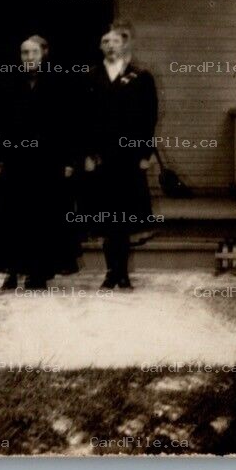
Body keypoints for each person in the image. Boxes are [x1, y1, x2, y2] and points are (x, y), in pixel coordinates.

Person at [0, 34, 77, 291]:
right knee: (11, 217)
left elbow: (69, 126)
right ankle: (11, 270)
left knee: (42, 218)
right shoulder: (9, 83)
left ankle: (38, 273)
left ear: (44, 53)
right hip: (15, 163)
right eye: (24, 52)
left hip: (47, 164)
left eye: (34, 52)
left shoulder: (59, 83)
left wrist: (69, 161)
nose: (29, 57)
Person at [80, 24, 159, 290]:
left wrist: (145, 153)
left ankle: (122, 273)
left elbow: (149, 117)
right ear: (100, 47)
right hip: (102, 158)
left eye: (115, 41)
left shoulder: (140, 77)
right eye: (105, 41)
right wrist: (88, 154)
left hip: (129, 157)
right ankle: (110, 272)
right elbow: (83, 120)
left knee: (124, 218)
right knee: (105, 216)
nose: (110, 45)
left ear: (124, 45)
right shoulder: (91, 77)